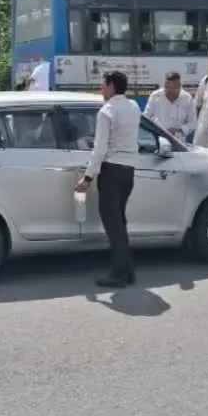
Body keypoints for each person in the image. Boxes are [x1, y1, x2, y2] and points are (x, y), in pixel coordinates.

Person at [75, 70, 141, 288]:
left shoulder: (107, 111)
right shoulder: (134, 107)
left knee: (113, 225)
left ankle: (118, 274)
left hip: (111, 171)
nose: (101, 89)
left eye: (103, 85)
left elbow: (100, 149)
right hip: (128, 171)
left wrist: (87, 178)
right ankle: (128, 270)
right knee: (119, 222)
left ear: (112, 86)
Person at [144, 71, 196, 140]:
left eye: (173, 88)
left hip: (179, 139)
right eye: (167, 87)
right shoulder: (155, 96)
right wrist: (156, 129)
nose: (170, 91)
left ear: (179, 86)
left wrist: (180, 130)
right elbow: (146, 118)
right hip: (158, 137)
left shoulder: (187, 98)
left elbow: (193, 123)